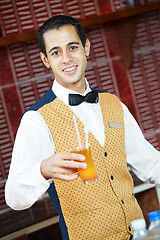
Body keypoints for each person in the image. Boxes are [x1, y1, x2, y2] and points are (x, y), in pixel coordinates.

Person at [5, 15, 160, 240]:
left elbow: (151, 164)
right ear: (46, 60)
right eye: (56, 52)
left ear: (86, 47)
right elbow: (14, 198)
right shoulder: (36, 120)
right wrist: (42, 170)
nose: (67, 58)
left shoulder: (113, 104)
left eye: (73, 47)